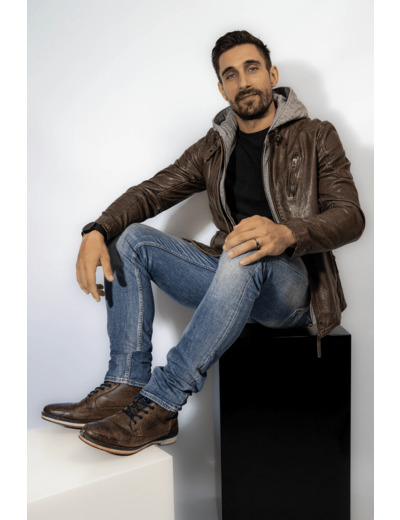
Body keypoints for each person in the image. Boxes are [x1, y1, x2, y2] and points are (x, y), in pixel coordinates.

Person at [42, 30, 365, 455]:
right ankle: (125, 383)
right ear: (221, 88)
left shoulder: (317, 135)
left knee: (244, 248)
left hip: (292, 290)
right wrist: (96, 230)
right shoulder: (215, 147)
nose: (243, 82)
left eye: (252, 68)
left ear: (272, 75)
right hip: (234, 274)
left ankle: (163, 402)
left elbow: (350, 216)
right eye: (231, 75)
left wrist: (286, 233)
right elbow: (152, 192)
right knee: (131, 239)